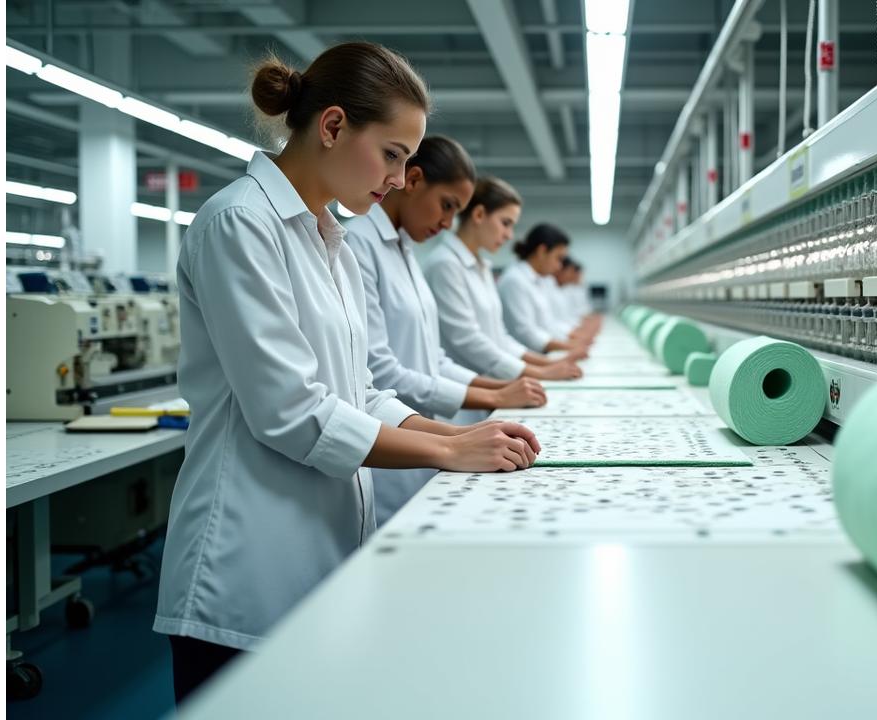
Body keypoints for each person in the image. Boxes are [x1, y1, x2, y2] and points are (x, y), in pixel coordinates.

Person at [152, 43, 539, 705]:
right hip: (243, 569)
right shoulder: (240, 224)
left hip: (320, 556)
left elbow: (362, 390)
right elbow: (292, 412)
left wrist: (457, 433)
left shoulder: (329, 239)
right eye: (392, 154)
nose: (397, 179)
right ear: (332, 126)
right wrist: (448, 447)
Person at [345, 135, 546, 522]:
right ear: (414, 180)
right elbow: (383, 372)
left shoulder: (404, 251)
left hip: (425, 435)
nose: (447, 222)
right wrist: (494, 396)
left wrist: (501, 392)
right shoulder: (359, 243)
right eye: (447, 206)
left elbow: (431, 356)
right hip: (396, 446)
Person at [423, 177, 585, 381]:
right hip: (463, 394)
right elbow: (468, 340)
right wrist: (541, 371)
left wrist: (548, 365)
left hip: (491, 383)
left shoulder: (481, 267)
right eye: (505, 223)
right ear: (479, 214)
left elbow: (499, 338)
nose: (509, 235)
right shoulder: (445, 264)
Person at [496, 223, 596, 355]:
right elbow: (526, 333)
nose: (560, 266)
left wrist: (573, 339)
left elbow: (548, 325)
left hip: (540, 357)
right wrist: (569, 346)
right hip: (526, 359)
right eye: (558, 258)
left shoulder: (541, 280)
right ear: (542, 251)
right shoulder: (514, 280)